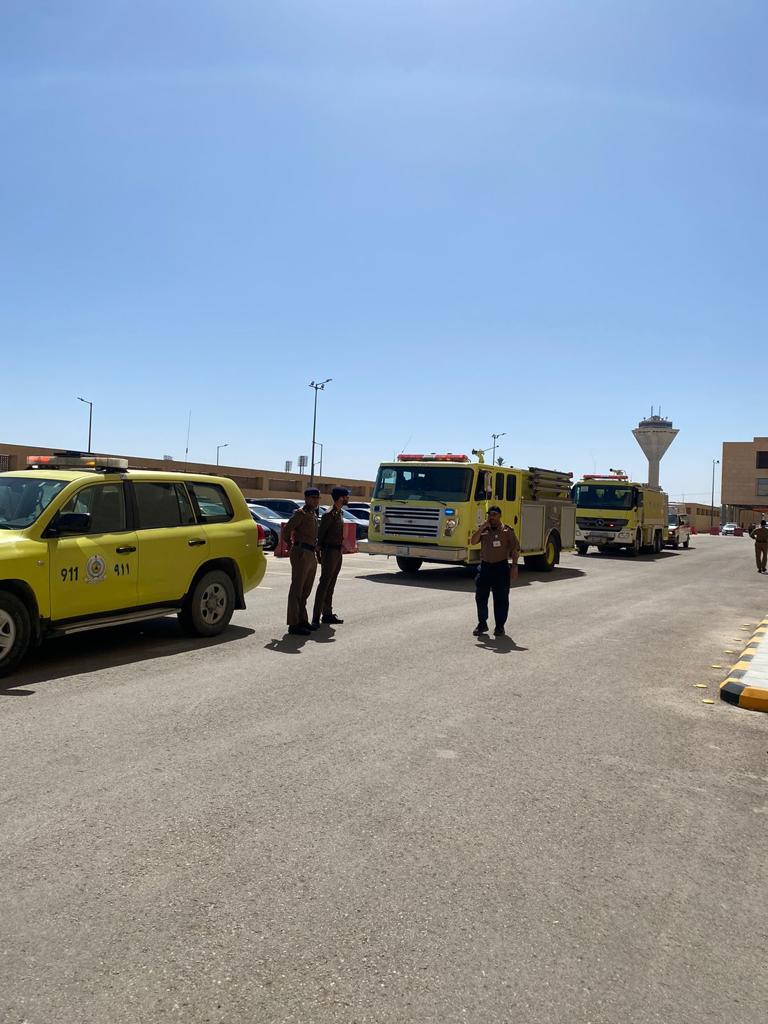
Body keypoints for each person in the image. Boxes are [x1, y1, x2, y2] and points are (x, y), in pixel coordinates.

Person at [469, 505, 520, 637]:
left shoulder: (507, 531)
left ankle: (499, 626)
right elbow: (473, 541)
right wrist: (481, 527)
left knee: (501, 599)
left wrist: (514, 566)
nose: (491, 517)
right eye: (489, 515)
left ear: (499, 516)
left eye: (494, 515)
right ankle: (482, 624)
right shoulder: (484, 530)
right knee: (480, 597)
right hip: (485, 567)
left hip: (500, 568)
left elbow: (515, 549)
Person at [284, 488, 321, 635]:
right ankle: (293, 624)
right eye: (313, 497)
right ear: (306, 498)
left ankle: (302, 620)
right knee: (297, 589)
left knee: (306, 590)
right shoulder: (301, 513)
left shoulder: (312, 513)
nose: (316, 500)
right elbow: (287, 529)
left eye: (317, 498)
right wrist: (290, 544)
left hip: (310, 553)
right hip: (301, 552)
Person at [312, 486, 350, 626]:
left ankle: (327, 614)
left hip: (337, 552)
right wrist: (319, 553)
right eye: (346, 496)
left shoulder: (339, 513)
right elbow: (321, 535)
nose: (348, 498)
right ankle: (315, 618)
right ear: (340, 498)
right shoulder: (329, 514)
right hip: (329, 552)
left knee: (331, 584)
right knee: (324, 584)